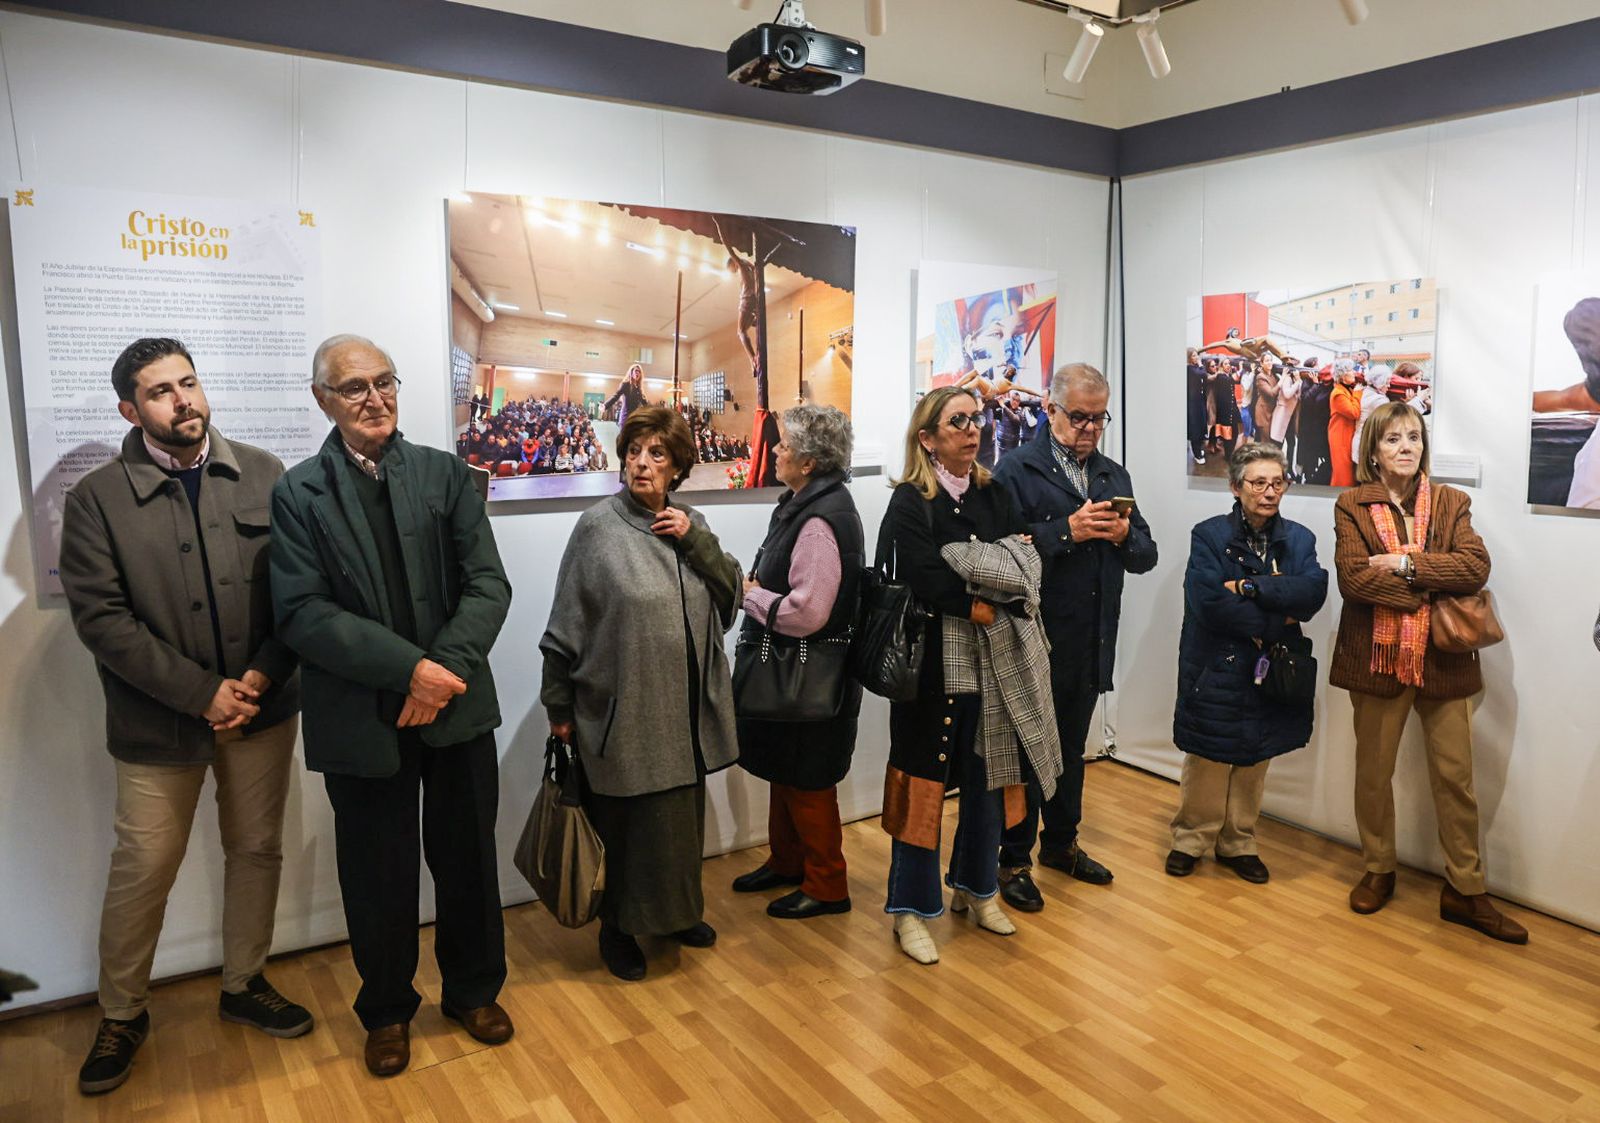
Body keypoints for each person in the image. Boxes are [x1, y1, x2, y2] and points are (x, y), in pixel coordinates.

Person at [60, 338, 309, 1097]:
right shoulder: (95, 499)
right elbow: (103, 619)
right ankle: (122, 1011)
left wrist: (261, 674)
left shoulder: (267, 473)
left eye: (189, 382)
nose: (183, 400)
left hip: (263, 709)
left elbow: (299, 594)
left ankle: (244, 982)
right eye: (161, 391)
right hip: (156, 724)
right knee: (144, 869)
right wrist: (203, 692)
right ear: (130, 411)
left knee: (257, 848)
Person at [270, 334, 514, 1076]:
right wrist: (414, 670)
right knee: (377, 874)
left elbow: (487, 585)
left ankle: (473, 989)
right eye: (354, 388)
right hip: (363, 718)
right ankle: (386, 1009)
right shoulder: (298, 492)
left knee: (468, 858)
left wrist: (441, 673)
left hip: (456, 708)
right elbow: (302, 613)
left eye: (384, 382)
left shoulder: (445, 474)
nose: (374, 399)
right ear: (323, 400)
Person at [540, 407, 742, 980]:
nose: (641, 464)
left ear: (678, 467)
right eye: (634, 452)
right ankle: (619, 927)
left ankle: (676, 914)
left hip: (684, 711)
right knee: (627, 824)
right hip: (622, 708)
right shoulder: (598, 528)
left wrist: (695, 540)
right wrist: (559, 708)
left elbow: (730, 598)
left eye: (657, 455)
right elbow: (564, 625)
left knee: (679, 823)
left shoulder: (691, 522)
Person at [1330, 402, 1528, 943]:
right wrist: (1435, 584)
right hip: (1376, 658)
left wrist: (1406, 564)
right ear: (1373, 449)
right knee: (1373, 773)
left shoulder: (1450, 502)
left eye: (1413, 437)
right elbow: (1353, 581)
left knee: (1456, 778)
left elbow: (1475, 567)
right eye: (1392, 439)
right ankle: (1379, 868)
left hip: (1443, 659)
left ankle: (1465, 889)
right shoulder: (1351, 504)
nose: (1405, 447)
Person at [878, 386, 1063, 965]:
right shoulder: (910, 501)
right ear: (927, 437)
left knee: (988, 784)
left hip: (996, 664)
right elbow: (924, 574)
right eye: (956, 420)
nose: (971, 428)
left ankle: (978, 889)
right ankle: (910, 910)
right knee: (924, 790)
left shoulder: (993, 490)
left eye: (975, 418)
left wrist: (976, 571)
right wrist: (976, 595)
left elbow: (1024, 560)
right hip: (930, 669)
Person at [991, 364, 1158, 910]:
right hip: (1030, 638)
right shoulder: (1014, 469)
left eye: (1098, 418)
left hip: (1091, 637)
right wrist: (1066, 531)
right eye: (1079, 417)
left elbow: (1146, 557)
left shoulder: (1113, 476)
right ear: (1050, 408)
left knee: (1068, 750)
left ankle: (1061, 845)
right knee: (1023, 755)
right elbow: (994, 555)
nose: (1089, 428)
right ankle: (1011, 859)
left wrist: (1125, 533)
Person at [1168, 443, 1327, 881]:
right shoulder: (1209, 535)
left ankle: (1238, 842)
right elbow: (1209, 604)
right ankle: (1191, 838)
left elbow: (1311, 594)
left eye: (1277, 482)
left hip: (1271, 666)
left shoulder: (1299, 538)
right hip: (1216, 664)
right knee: (1209, 755)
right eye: (1258, 483)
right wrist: (1279, 606)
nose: (1269, 492)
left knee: (1256, 755)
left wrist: (1250, 588)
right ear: (1236, 486)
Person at [731, 404, 864, 920]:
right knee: (786, 769)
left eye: (784, 443)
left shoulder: (818, 521)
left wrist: (750, 597)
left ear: (808, 462)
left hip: (813, 673)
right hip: (799, 672)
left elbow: (808, 612)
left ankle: (829, 885)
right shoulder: (803, 504)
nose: (777, 449)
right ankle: (788, 862)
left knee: (808, 779)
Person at [1328, 360, 1361, 487]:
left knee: (1347, 471)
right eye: (1350, 370)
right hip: (1340, 436)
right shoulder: (1338, 394)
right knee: (1343, 473)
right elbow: (1354, 413)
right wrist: (1357, 394)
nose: (1353, 373)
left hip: (1345, 434)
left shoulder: (1345, 390)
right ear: (1342, 376)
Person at [603, 363, 649, 429]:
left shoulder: (639, 389)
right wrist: (605, 405)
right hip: (625, 417)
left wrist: (655, 412)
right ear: (631, 373)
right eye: (636, 371)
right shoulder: (625, 385)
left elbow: (645, 403)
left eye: (639, 372)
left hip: (635, 418)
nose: (637, 373)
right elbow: (616, 396)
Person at [1186, 348, 1209, 465]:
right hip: (1192, 403)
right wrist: (1201, 365)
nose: (1197, 358)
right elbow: (1202, 374)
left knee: (1200, 426)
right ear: (1189, 357)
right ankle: (1197, 454)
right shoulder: (1189, 368)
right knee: (1195, 428)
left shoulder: (1194, 368)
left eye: (1197, 356)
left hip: (1198, 401)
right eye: (1194, 356)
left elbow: (1203, 377)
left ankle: (1199, 449)